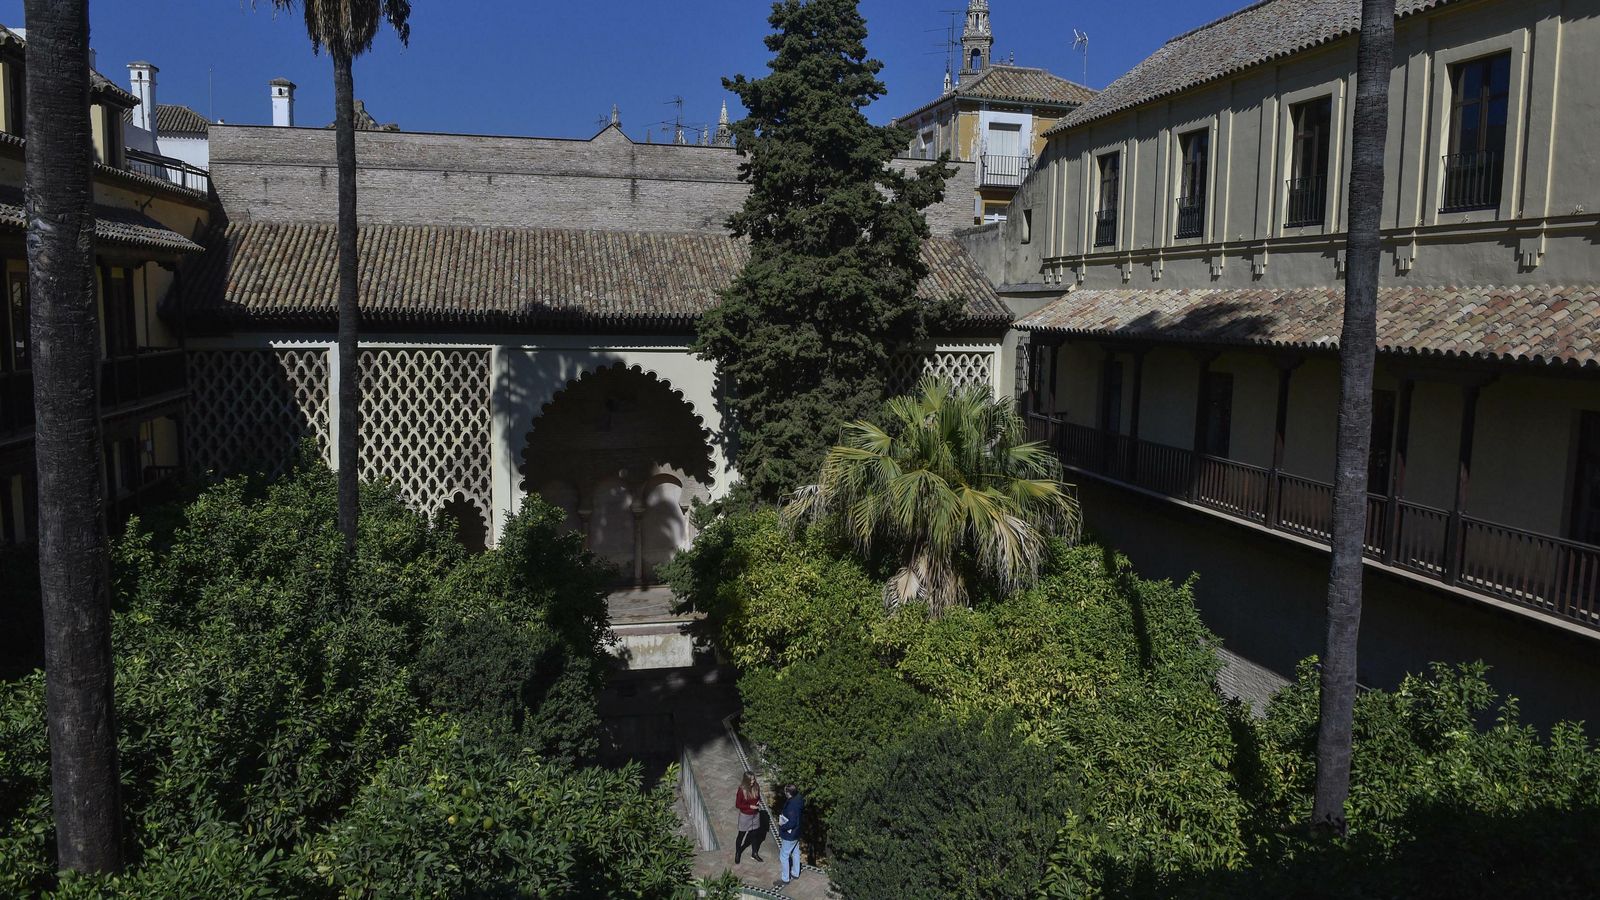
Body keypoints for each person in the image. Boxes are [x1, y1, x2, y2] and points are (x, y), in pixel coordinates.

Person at [773, 784, 804, 889]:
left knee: (784, 856)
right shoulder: (799, 799)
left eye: (785, 792)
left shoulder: (792, 805)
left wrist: (782, 826)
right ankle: (795, 872)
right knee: (795, 852)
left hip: (790, 834)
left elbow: (792, 822)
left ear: (788, 793)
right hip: (797, 832)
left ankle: (785, 878)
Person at [733, 772, 764, 864]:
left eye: (754, 779)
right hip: (745, 815)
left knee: (755, 835)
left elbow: (758, 797)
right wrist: (750, 806)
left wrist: (758, 802)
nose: (753, 781)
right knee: (741, 835)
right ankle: (738, 852)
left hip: (755, 815)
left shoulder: (756, 786)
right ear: (746, 781)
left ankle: (754, 853)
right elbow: (738, 804)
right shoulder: (741, 790)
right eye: (751, 780)